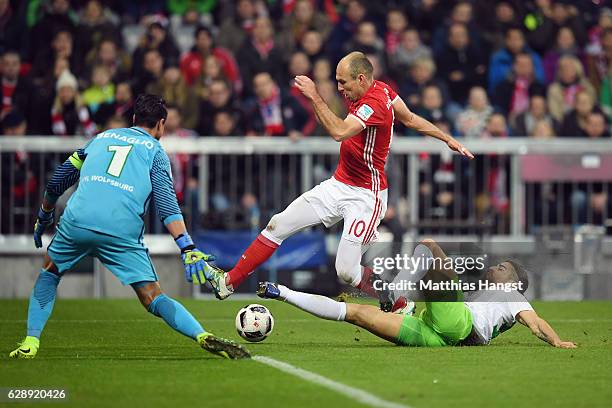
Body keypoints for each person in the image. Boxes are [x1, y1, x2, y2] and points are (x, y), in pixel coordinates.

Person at [203, 52, 473, 308]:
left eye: (343, 82)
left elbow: (339, 131)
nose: (340, 89)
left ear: (361, 80)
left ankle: (396, 300)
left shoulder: (375, 104)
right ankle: (228, 281)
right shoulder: (381, 91)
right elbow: (411, 119)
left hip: (367, 196)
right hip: (338, 184)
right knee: (278, 224)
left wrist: (314, 96)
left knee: (346, 271)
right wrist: (447, 138)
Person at [9, 94, 250, 360]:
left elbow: (57, 181)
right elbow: (168, 206)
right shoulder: (156, 153)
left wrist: (44, 214)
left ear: (134, 119)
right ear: (161, 125)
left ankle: (30, 341)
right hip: (120, 230)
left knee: (50, 274)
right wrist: (187, 246)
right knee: (152, 297)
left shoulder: (101, 138)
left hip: (77, 222)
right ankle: (202, 335)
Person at [256, 239, 577, 349]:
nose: (496, 267)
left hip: (460, 325)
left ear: (513, 284)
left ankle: (396, 296)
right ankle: (281, 292)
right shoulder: (482, 294)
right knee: (356, 314)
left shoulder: (512, 297)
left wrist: (555, 340)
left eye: (504, 268)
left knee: (431, 248)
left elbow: (536, 322)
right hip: (443, 337)